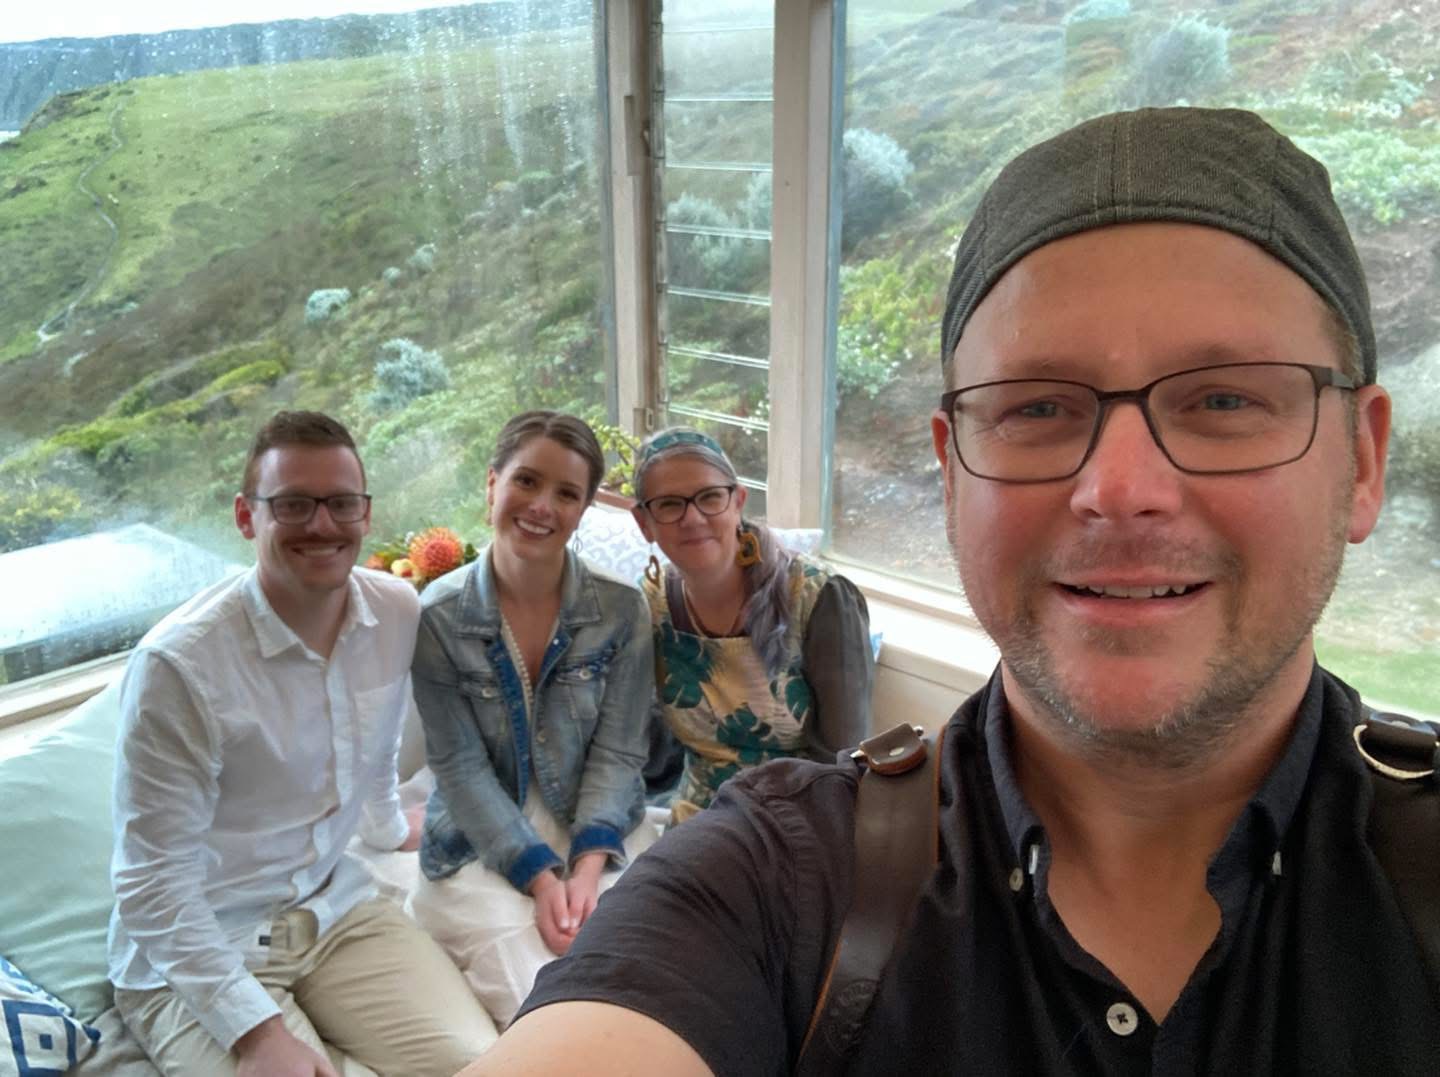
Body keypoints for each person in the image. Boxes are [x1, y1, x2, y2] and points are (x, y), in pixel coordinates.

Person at [462, 107, 1440, 1075]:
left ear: (1362, 460)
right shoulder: (770, 881)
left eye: (1226, 398)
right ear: (952, 471)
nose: (1121, 492)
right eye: (1036, 409)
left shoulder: (813, 607)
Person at [109, 410, 496, 1077]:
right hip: (202, 947)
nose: (322, 523)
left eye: (341, 503)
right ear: (245, 516)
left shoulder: (396, 610)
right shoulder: (180, 667)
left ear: (366, 515)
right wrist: (256, 1034)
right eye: (293, 504)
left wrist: (383, 824)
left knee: (486, 1063)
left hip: (334, 909)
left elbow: (371, 748)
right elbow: (152, 884)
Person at [407, 410, 657, 1029]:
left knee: (640, 975)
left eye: (566, 493)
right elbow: (459, 766)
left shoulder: (622, 610)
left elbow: (621, 752)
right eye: (526, 481)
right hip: (481, 840)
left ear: (582, 510)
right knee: (542, 996)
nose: (542, 506)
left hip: (600, 826)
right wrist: (542, 880)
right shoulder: (436, 616)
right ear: (492, 485)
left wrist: (588, 868)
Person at [627, 427, 874, 824]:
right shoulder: (649, 606)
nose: (692, 518)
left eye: (709, 497)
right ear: (644, 523)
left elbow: (844, 762)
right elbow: (645, 747)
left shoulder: (819, 598)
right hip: (696, 821)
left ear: (737, 501)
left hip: (801, 823)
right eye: (669, 505)